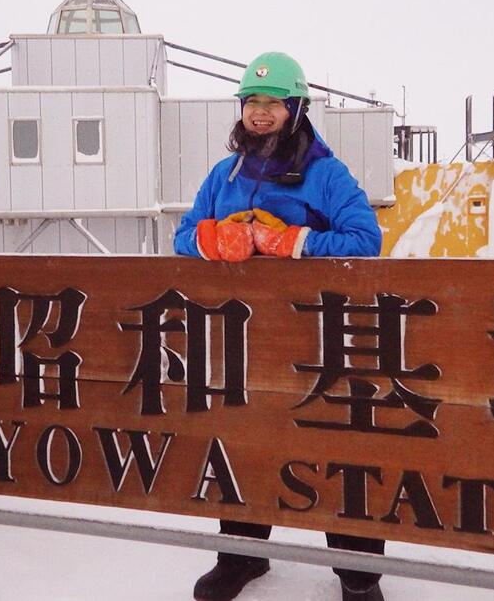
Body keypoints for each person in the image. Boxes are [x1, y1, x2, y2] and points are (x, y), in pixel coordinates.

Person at [174, 52, 385, 601]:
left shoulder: (326, 173)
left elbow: (366, 241)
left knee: (339, 455)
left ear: (295, 109)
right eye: (252, 103)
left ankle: (358, 578)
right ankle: (241, 556)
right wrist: (210, 240)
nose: (261, 113)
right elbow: (183, 234)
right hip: (243, 342)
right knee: (244, 443)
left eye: (273, 103)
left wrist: (292, 241)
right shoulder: (226, 175)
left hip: (322, 344)